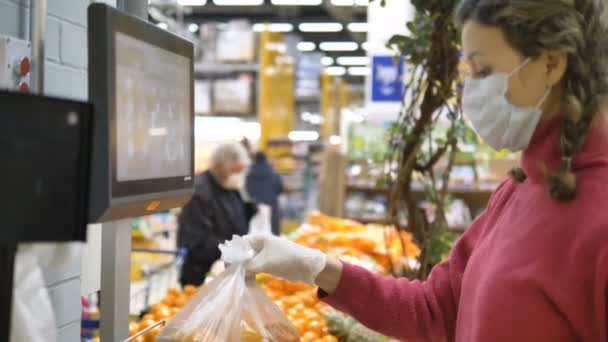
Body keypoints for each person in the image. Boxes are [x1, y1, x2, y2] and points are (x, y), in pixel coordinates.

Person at [242, 1, 608, 341]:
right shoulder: (517, 192)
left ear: (551, 63)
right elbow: (434, 308)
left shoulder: (598, 216)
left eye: (482, 70)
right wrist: (316, 266)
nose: (470, 92)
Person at [177, 142, 256, 286]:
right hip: (201, 276)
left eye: (241, 171)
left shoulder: (230, 186)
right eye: (235, 171)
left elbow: (238, 219)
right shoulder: (199, 193)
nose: (238, 176)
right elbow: (197, 242)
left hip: (227, 272)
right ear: (219, 166)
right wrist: (235, 250)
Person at [246, 151, 284, 235]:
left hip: (256, 207)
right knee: (273, 234)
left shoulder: (249, 175)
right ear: (266, 159)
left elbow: (249, 191)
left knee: (257, 234)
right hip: (272, 205)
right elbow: (280, 189)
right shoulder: (274, 174)